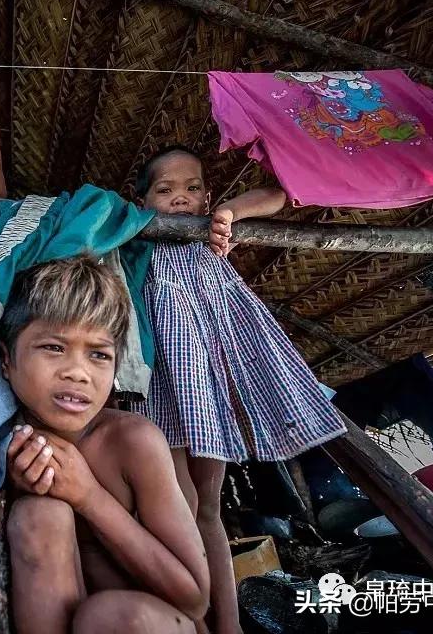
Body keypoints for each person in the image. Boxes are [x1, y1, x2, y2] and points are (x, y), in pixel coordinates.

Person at [131, 145, 347, 634]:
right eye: (164, 191)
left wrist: (229, 212)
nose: (180, 199)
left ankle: (225, 626)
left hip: (208, 396)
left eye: (192, 189)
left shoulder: (214, 235)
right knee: (178, 509)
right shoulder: (137, 241)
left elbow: (276, 193)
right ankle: (190, 619)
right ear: (141, 200)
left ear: (207, 196)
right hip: (163, 392)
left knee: (207, 509)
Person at [1, 256, 210, 634]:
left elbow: (195, 598)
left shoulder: (131, 442)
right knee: (39, 514)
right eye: (53, 347)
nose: (77, 372)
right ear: (6, 360)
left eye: (98, 354)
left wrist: (88, 496)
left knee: (110, 616)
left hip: (151, 623)